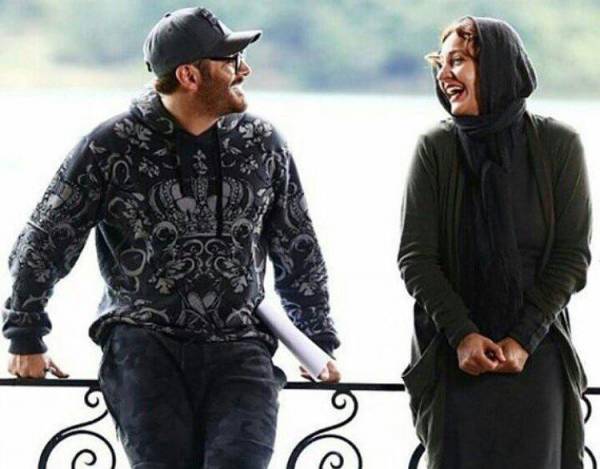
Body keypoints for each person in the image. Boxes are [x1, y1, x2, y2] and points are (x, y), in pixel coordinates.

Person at [3, 6, 341, 469]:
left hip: (241, 348)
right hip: (143, 347)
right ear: (189, 75)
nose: (245, 70)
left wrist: (317, 339)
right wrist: (26, 335)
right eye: (231, 61)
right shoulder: (110, 144)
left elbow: (297, 243)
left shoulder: (262, 142)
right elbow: (44, 240)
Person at [398, 16, 591, 469]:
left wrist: (522, 339)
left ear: (499, 68)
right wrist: (463, 335)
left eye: (458, 61)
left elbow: (572, 257)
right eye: (442, 64)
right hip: (453, 358)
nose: (444, 76)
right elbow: (416, 259)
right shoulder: (435, 148)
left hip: (537, 355)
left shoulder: (559, 145)